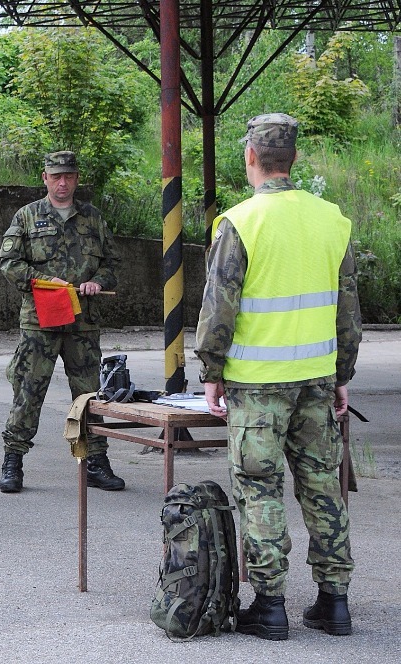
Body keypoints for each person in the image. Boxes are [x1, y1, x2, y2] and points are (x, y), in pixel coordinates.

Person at [195, 113, 361, 640]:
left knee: (259, 489)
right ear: (292, 159)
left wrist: (211, 371)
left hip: (257, 386)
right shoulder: (332, 220)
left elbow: (217, 308)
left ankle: (270, 607)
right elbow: (348, 311)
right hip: (315, 380)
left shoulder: (239, 223)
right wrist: (341, 374)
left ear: (251, 159)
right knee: (322, 488)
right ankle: (334, 604)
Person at [0, 150, 123, 493]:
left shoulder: (92, 218)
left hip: (83, 321)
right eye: (56, 177)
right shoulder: (26, 217)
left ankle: (96, 460)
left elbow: (112, 263)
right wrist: (41, 280)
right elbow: (9, 263)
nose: (62, 182)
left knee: (88, 395)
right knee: (29, 390)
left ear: (76, 179)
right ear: (45, 178)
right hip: (41, 321)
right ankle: (13, 460)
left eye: (68, 176)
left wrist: (100, 281)